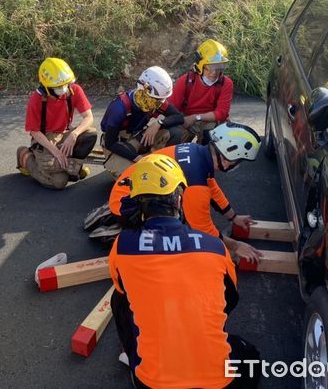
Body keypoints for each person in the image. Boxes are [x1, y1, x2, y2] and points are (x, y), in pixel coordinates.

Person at [109, 155, 261, 388]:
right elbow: (229, 299)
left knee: (118, 300)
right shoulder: (215, 247)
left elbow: (124, 291)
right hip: (219, 383)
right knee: (250, 355)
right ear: (179, 201)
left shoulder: (123, 245)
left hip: (151, 382)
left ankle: (133, 359)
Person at [88, 124, 263, 263]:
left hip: (128, 190)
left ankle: (113, 214)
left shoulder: (197, 153)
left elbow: (213, 189)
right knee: (177, 233)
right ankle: (117, 231)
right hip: (126, 203)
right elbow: (203, 229)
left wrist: (234, 217)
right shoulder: (197, 183)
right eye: (238, 162)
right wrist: (234, 246)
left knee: (178, 208)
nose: (237, 166)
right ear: (228, 157)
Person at [17, 57, 97, 189]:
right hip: (45, 138)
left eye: (65, 84)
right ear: (46, 87)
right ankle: (25, 156)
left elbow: (89, 117)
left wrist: (74, 134)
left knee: (90, 133)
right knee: (59, 182)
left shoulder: (73, 89)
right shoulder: (36, 100)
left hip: (65, 132)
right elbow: (34, 132)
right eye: (59, 86)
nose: (64, 89)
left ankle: (71, 168)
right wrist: (56, 152)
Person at [100, 66, 184, 178]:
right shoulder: (119, 107)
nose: (160, 103)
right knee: (134, 177)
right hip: (118, 142)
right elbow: (110, 143)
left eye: (161, 99)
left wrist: (158, 124)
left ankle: (160, 161)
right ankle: (125, 164)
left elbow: (179, 117)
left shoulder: (154, 101)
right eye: (158, 99)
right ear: (144, 90)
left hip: (138, 136)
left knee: (176, 132)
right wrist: (139, 159)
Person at [169, 39, 234, 144]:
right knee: (172, 138)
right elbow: (171, 109)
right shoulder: (185, 81)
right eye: (210, 67)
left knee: (218, 143)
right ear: (201, 65)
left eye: (219, 67)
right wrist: (179, 124)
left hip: (210, 121)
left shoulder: (226, 83)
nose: (214, 73)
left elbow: (222, 113)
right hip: (185, 119)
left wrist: (195, 117)